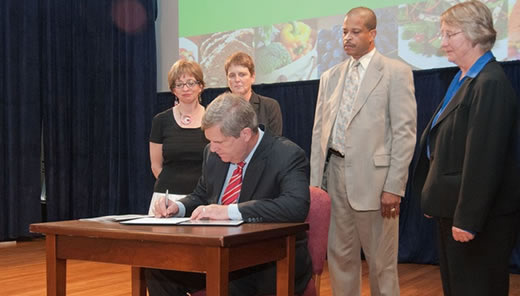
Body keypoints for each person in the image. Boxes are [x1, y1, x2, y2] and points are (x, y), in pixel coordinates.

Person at [146, 93, 312, 295]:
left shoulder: (286, 155)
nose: (213, 148)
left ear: (245, 134)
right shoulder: (212, 153)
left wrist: (230, 211)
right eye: (211, 141)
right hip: (217, 254)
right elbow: (202, 194)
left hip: (267, 262)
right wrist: (178, 207)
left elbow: (296, 206)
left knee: (230, 284)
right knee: (159, 269)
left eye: (219, 142)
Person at [412, 1, 520, 295]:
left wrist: (468, 219)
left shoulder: (490, 84)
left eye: (450, 34)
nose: (442, 42)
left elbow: (484, 160)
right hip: (455, 209)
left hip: (478, 220)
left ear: (475, 34)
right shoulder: (464, 79)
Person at [310, 7, 417, 296]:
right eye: (344, 32)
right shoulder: (330, 76)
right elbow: (320, 133)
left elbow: (404, 134)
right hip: (335, 177)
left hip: (377, 183)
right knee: (341, 259)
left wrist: (394, 186)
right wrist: (315, 186)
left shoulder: (396, 72)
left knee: (382, 264)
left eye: (355, 32)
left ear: (373, 34)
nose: (347, 37)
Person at [148, 59, 209, 213]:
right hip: (166, 199)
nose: (185, 88)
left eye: (190, 82)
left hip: (203, 200)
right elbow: (156, 166)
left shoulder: (213, 119)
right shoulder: (160, 120)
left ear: (201, 86)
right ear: (173, 90)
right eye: (179, 84)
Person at [224, 51, 283, 136]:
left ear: (252, 77)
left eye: (242, 74)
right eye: (232, 75)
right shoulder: (220, 110)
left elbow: (274, 144)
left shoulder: (269, 106)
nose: (237, 80)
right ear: (227, 79)